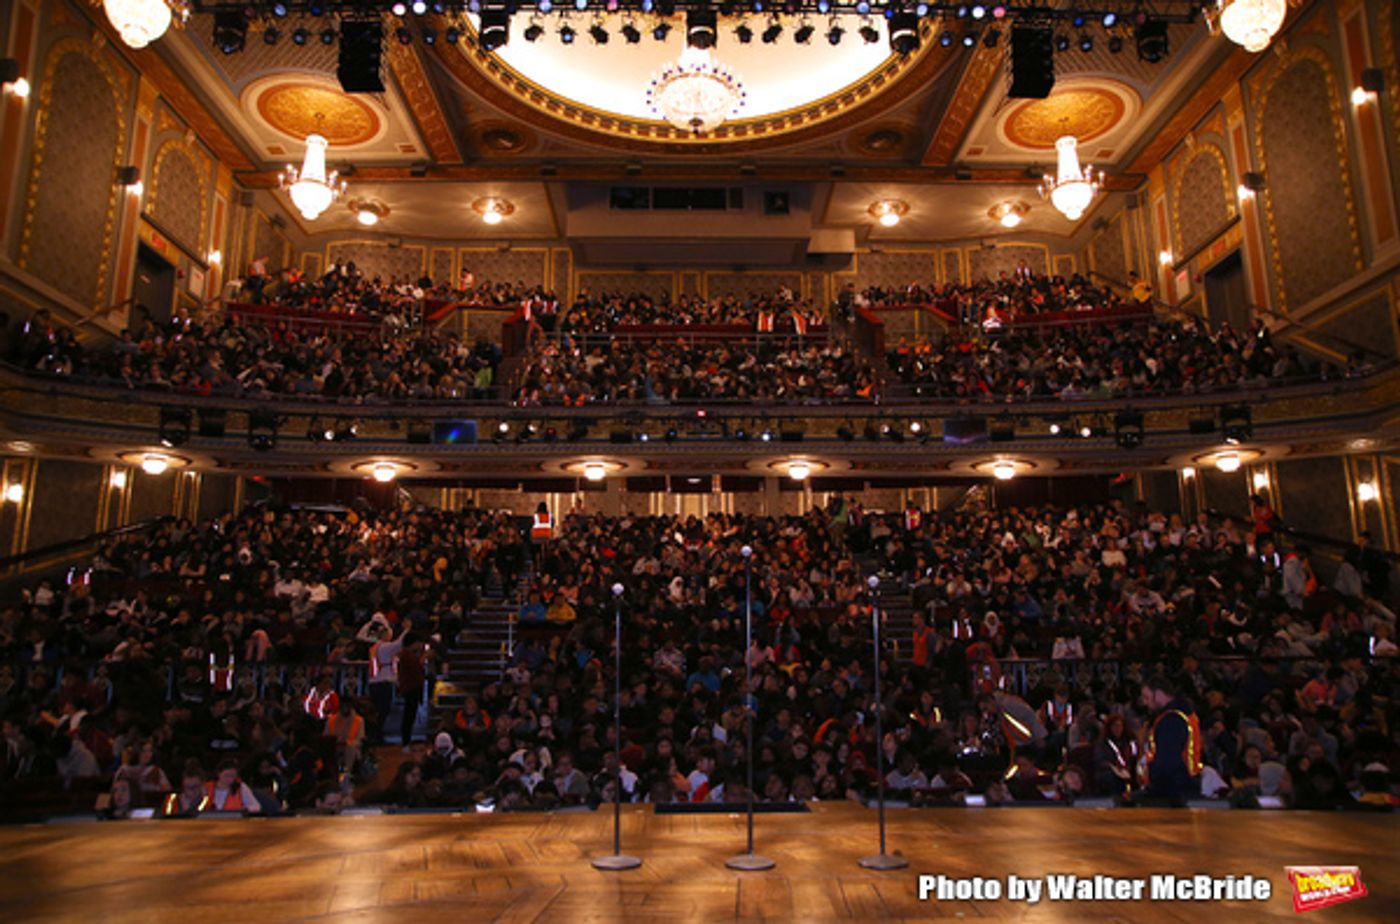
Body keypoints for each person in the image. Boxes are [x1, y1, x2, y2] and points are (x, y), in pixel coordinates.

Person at [1140, 675, 1202, 805]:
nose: (1145, 703)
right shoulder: (1185, 714)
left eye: (1147, 697)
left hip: (1173, 791)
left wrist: (1152, 783)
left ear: (1159, 694)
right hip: (1188, 786)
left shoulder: (1171, 721)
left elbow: (1167, 762)